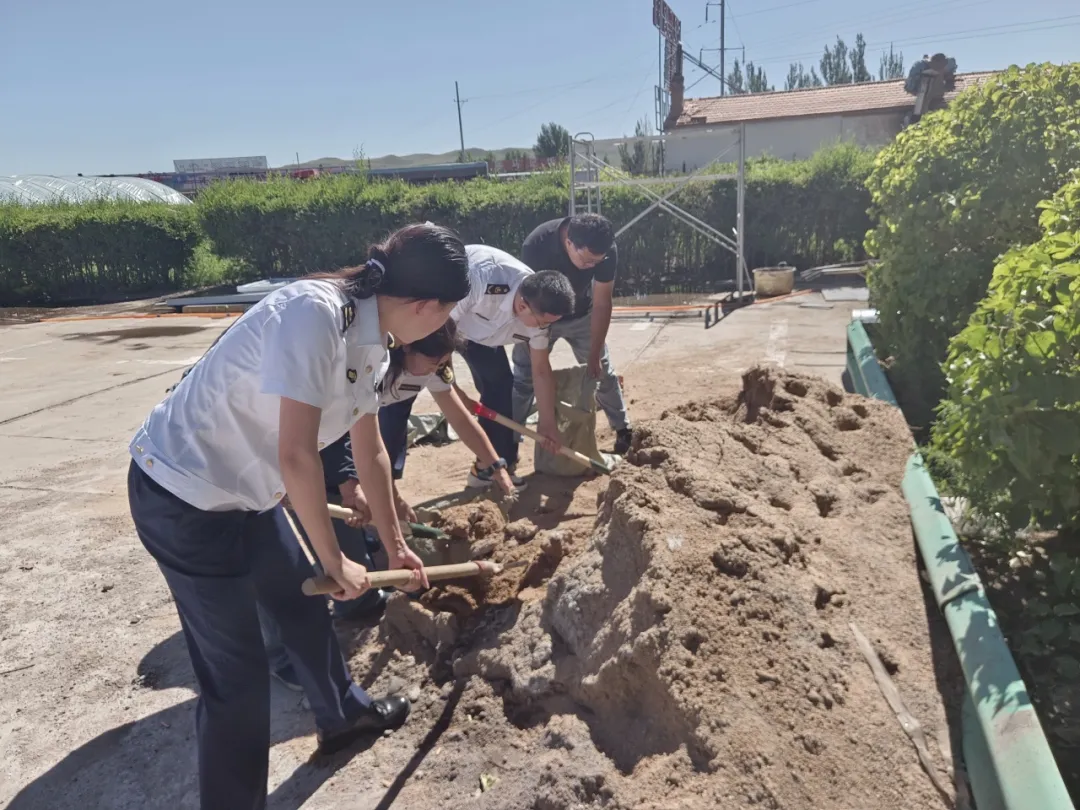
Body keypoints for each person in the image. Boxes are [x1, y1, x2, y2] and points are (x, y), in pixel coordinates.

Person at [126, 222, 470, 810]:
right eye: (448, 313)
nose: (444, 326)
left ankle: (343, 717)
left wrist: (394, 544)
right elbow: (296, 454)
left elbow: (371, 450)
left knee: (301, 608)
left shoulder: (373, 340)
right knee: (236, 683)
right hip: (183, 494)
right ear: (426, 306)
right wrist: (334, 560)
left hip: (246, 493)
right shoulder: (315, 313)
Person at [452, 244, 575, 488]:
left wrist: (547, 423)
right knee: (401, 398)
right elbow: (436, 334)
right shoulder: (482, 280)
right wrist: (453, 391)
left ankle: (489, 468)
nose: (543, 329)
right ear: (522, 306)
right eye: (542, 323)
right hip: (444, 322)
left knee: (501, 386)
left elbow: (541, 370)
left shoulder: (538, 311)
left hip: (485, 337)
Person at [512, 213, 633, 455]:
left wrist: (595, 352)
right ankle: (510, 441)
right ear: (569, 243)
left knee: (601, 371)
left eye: (597, 261)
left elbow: (602, 302)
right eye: (587, 261)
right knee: (524, 377)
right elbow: (527, 299)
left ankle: (623, 430)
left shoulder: (604, 249)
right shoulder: (537, 245)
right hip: (541, 318)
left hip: (582, 316)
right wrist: (534, 338)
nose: (592, 266)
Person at [377, 319, 516, 494]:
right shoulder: (376, 365)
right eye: (432, 363)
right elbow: (364, 436)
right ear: (407, 345)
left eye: (441, 364)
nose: (434, 370)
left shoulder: (435, 369)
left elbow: (460, 419)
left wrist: (496, 466)